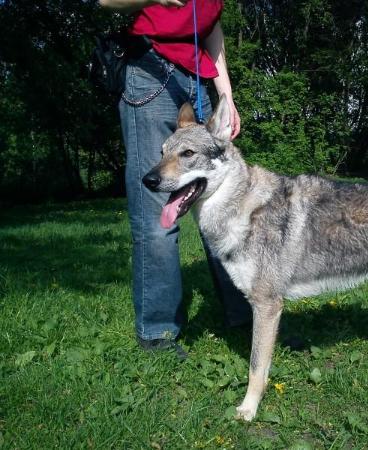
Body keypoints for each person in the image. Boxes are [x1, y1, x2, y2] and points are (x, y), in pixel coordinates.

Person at [99, 0, 252, 358]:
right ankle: (158, 330)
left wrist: (225, 92)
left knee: (225, 201)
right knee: (158, 208)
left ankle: (248, 313)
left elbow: (211, 28)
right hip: (149, 70)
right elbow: (106, 1)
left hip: (195, 78)